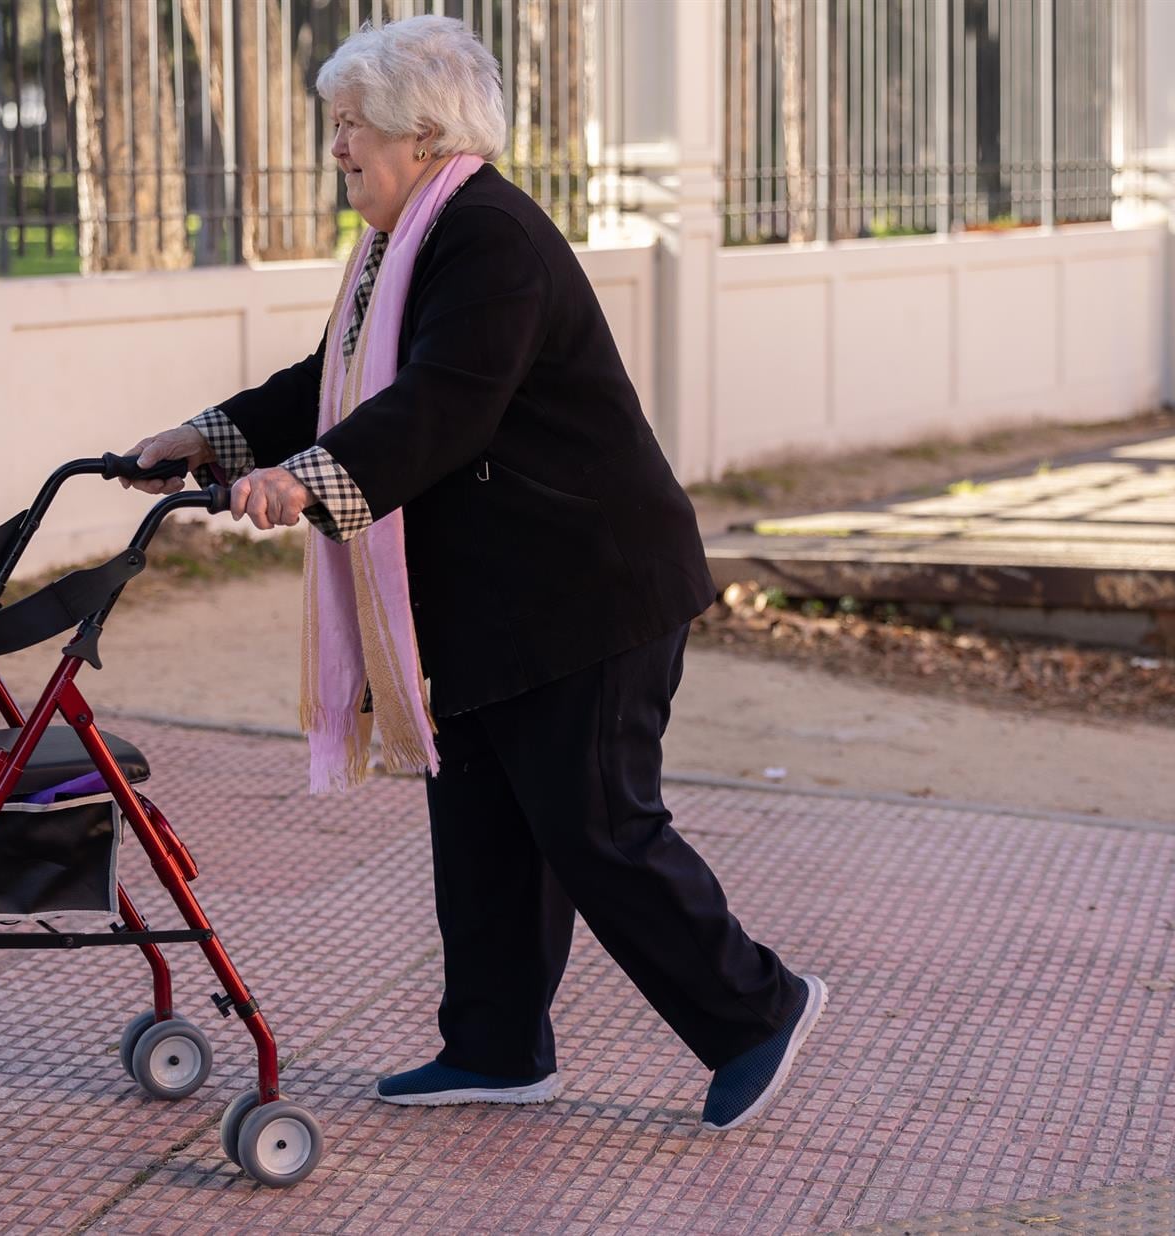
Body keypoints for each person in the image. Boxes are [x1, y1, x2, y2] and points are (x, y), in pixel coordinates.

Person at [120, 15, 824, 1131]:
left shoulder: (489, 236)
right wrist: (211, 436)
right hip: (508, 598)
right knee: (487, 824)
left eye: (352, 126)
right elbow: (340, 379)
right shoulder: (408, 248)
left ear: (425, 132)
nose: (337, 146)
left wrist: (307, 481)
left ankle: (757, 1011)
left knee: (597, 826)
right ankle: (495, 1047)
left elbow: (442, 405)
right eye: (336, 124)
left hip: (591, 591)